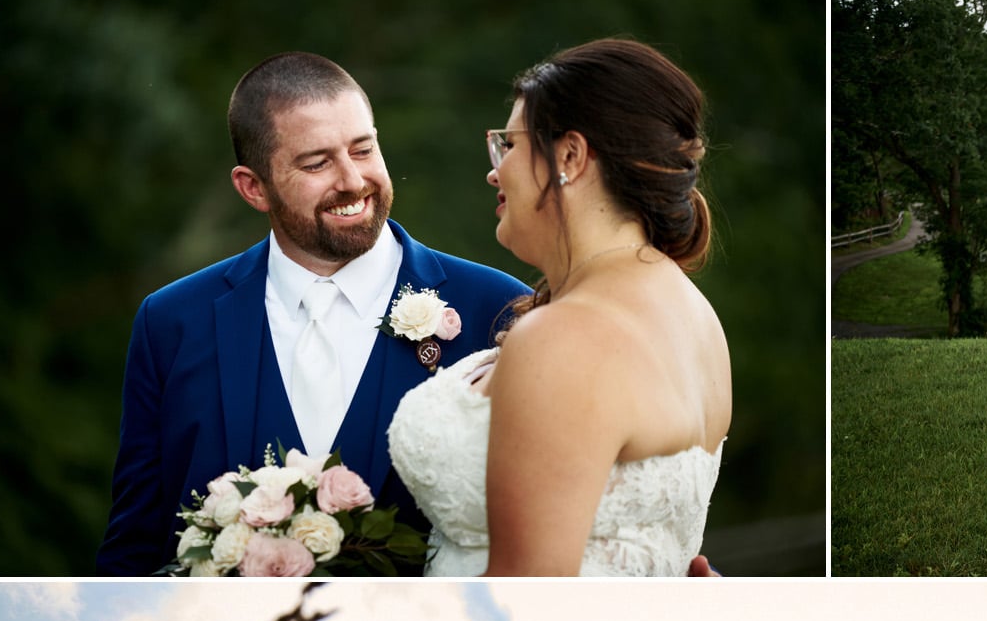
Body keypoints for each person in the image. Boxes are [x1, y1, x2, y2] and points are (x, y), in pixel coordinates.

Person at [98, 52, 531, 575]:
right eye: (316, 163)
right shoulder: (172, 322)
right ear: (253, 187)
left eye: (363, 149)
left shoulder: (498, 309)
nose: (353, 180)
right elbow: (136, 544)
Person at [388, 39, 730, 574]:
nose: (493, 173)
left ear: (570, 155)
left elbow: (525, 608)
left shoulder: (565, 337)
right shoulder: (696, 317)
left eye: (509, 146)